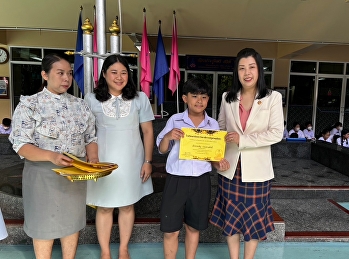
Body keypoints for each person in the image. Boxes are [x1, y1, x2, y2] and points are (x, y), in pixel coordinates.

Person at [8, 53, 98, 259]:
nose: (66, 78)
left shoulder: (80, 105)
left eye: (69, 73)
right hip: (42, 174)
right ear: (45, 75)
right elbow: (21, 144)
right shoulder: (30, 105)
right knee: (43, 223)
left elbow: (90, 138)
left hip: (74, 173)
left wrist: (92, 160)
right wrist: (52, 156)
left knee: (71, 222)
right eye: (60, 73)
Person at [209, 48, 284, 259]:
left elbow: (276, 133)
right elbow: (221, 130)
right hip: (230, 169)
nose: (247, 72)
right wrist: (216, 157)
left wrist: (244, 140)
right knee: (231, 220)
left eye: (251, 67)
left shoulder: (272, 98)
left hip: (257, 171)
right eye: (241, 68)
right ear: (237, 72)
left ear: (259, 70)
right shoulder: (228, 97)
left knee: (253, 221)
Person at [85, 54, 154, 259]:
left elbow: (148, 132)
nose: (119, 77)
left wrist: (148, 161)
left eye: (124, 72)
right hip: (102, 160)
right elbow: (87, 132)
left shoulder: (140, 98)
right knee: (104, 206)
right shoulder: (91, 99)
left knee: (127, 204)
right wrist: (91, 160)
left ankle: (123, 248)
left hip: (132, 159)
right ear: (104, 74)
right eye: (114, 72)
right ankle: (105, 251)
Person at [156, 78, 224, 259]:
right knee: (171, 229)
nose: (199, 101)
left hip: (201, 181)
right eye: (194, 96)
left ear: (208, 99)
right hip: (176, 180)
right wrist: (168, 136)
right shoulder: (175, 120)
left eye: (204, 97)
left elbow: (213, 157)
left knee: (194, 227)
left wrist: (220, 163)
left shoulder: (213, 125)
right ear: (185, 98)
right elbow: (162, 150)